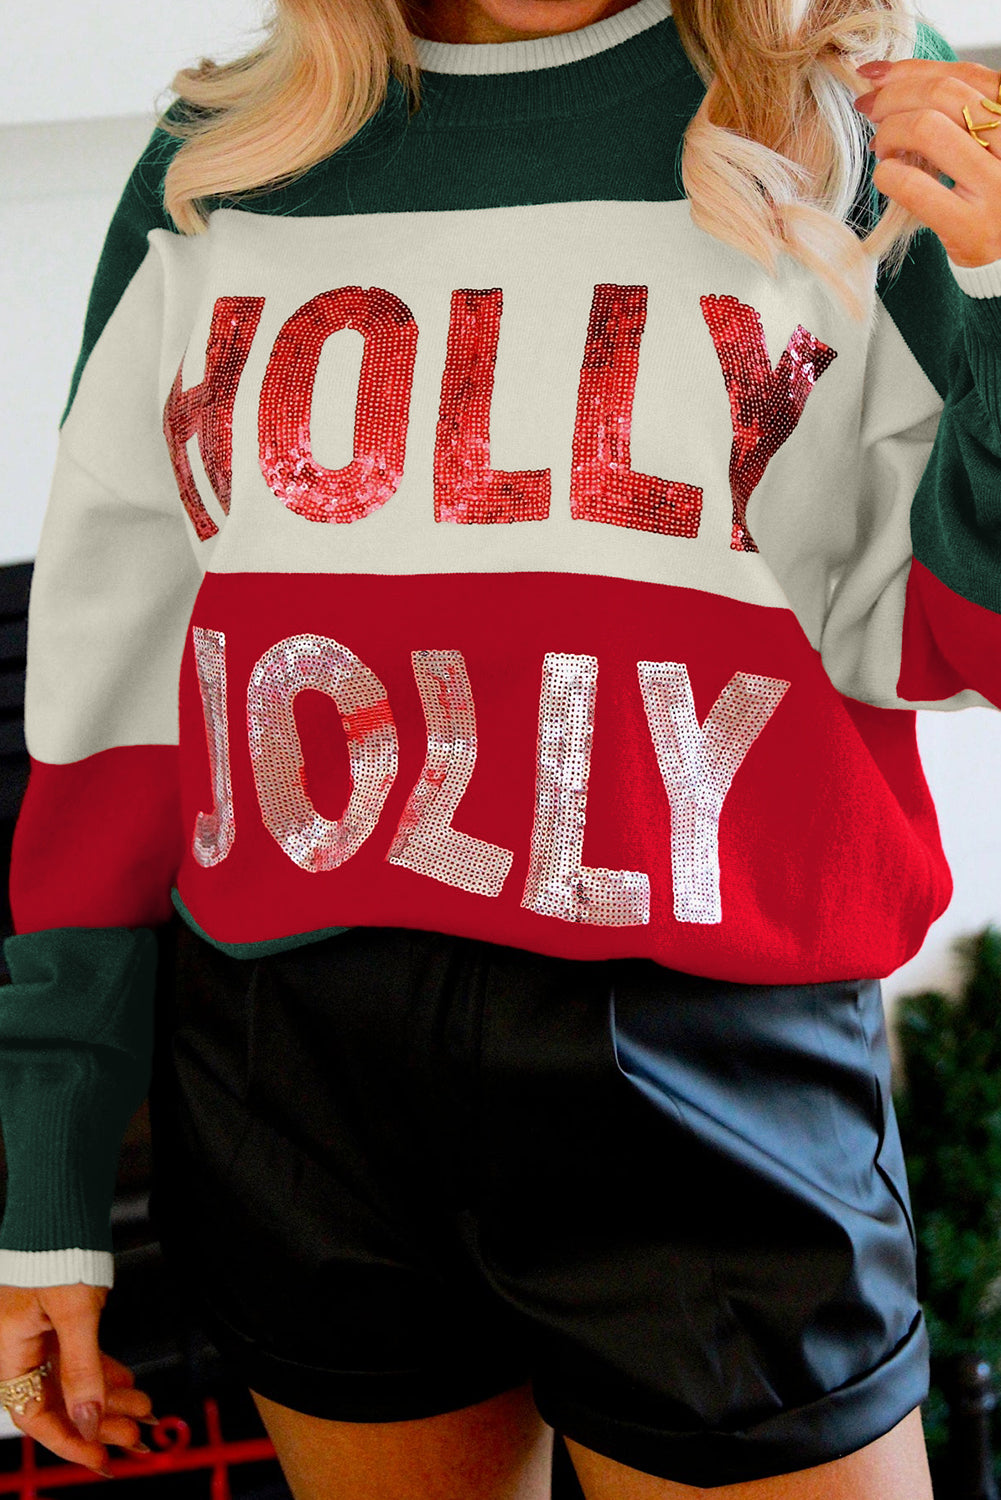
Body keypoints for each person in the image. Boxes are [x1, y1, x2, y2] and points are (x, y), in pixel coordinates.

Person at [1, 0, 1000, 1493]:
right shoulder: (223, 154)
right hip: (295, 1084)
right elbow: (113, 701)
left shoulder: (860, 110)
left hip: (710, 1065)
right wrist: (53, 1161)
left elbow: (973, 642)